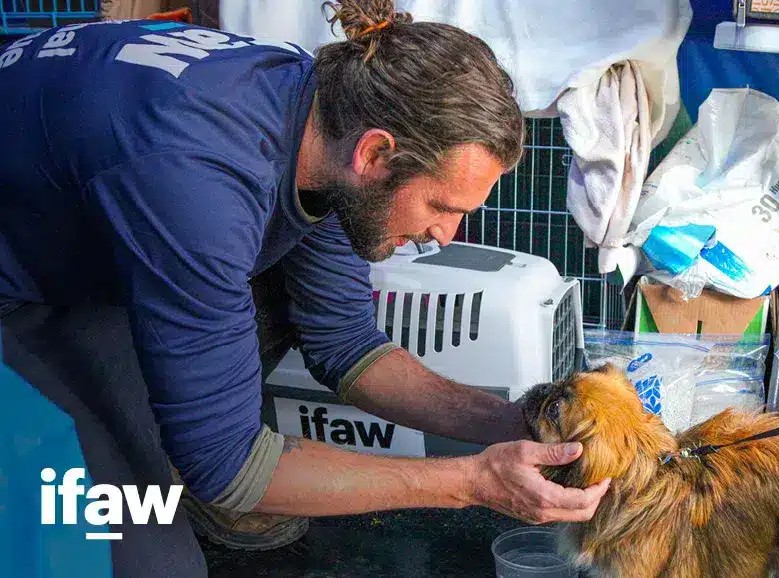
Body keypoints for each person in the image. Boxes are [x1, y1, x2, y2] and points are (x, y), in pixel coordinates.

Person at [0, 1, 610, 576]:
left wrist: (514, 424)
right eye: (441, 205)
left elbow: (345, 344)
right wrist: (472, 482)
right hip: (20, 290)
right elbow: (227, 469)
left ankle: (185, 446)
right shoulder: (199, 186)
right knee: (133, 558)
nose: (445, 235)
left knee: (164, 447)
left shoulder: (326, 121)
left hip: (76, 237)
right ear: (377, 154)